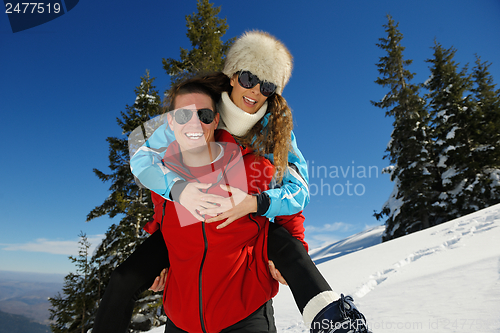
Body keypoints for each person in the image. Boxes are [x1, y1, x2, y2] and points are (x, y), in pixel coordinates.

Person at [93, 31, 368, 333]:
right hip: (184, 306)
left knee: (282, 245)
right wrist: (165, 232)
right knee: (122, 281)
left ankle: (335, 322)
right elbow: (147, 159)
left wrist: (281, 238)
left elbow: (296, 195)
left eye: (267, 85)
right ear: (234, 76)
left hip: (243, 298)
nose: (255, 91)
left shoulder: (275, 134)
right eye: (250, 78)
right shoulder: (197, 115)